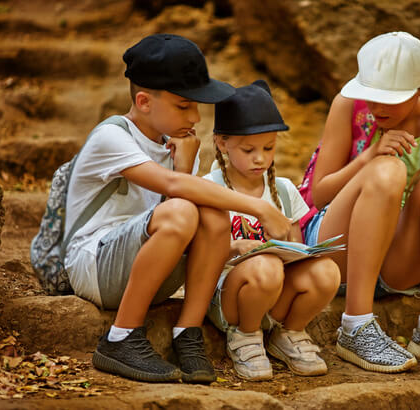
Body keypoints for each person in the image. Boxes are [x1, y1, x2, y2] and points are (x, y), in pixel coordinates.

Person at [64, 34, 291, 384]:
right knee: (191, 206)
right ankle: (120, 338)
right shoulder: (112, 137)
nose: (197, 117)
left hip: (145, 270)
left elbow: (178, 214)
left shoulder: (175, 145)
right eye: (184, 106)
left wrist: (184, 166)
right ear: (143, 101)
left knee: (210, 212)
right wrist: (259, 208)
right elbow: (175, 195)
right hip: (95, 266)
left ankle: (188, 332)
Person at [298, 32, 420, 372]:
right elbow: (318, 195)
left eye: (390, 98)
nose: (377, 107)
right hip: (334, 251)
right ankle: (355, 326)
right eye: (372, 96)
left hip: (396, 263)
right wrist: (367, 158)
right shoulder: (348, 106)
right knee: (387, 170)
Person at [203, 80, 341, 381]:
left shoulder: (283, 189)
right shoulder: (209, 188)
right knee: (265, 268)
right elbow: (198, 256)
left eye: (269, 147)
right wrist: (236, 247)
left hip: (275, 293)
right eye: (249, 149)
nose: (260, 158)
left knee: (326, 271)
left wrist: (294, 249)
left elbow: (298, 249)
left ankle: (288, 333)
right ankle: (245, 336)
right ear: (222, 142)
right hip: (230, 298)